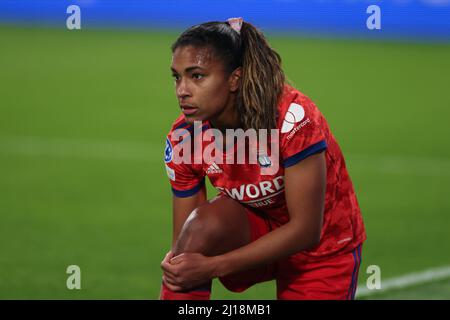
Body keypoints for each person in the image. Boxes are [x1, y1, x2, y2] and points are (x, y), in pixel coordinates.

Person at [160, 18, 366, 300]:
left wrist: (213, 266)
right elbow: (185, 244)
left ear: (234, 79)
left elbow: (307, 230)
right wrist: (181, 267)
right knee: (196, 234)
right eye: (177, 77)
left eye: (196, 76)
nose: (182, 90)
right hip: (254, 232)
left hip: (319, 251)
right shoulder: (185, 137)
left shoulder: (292, 119)